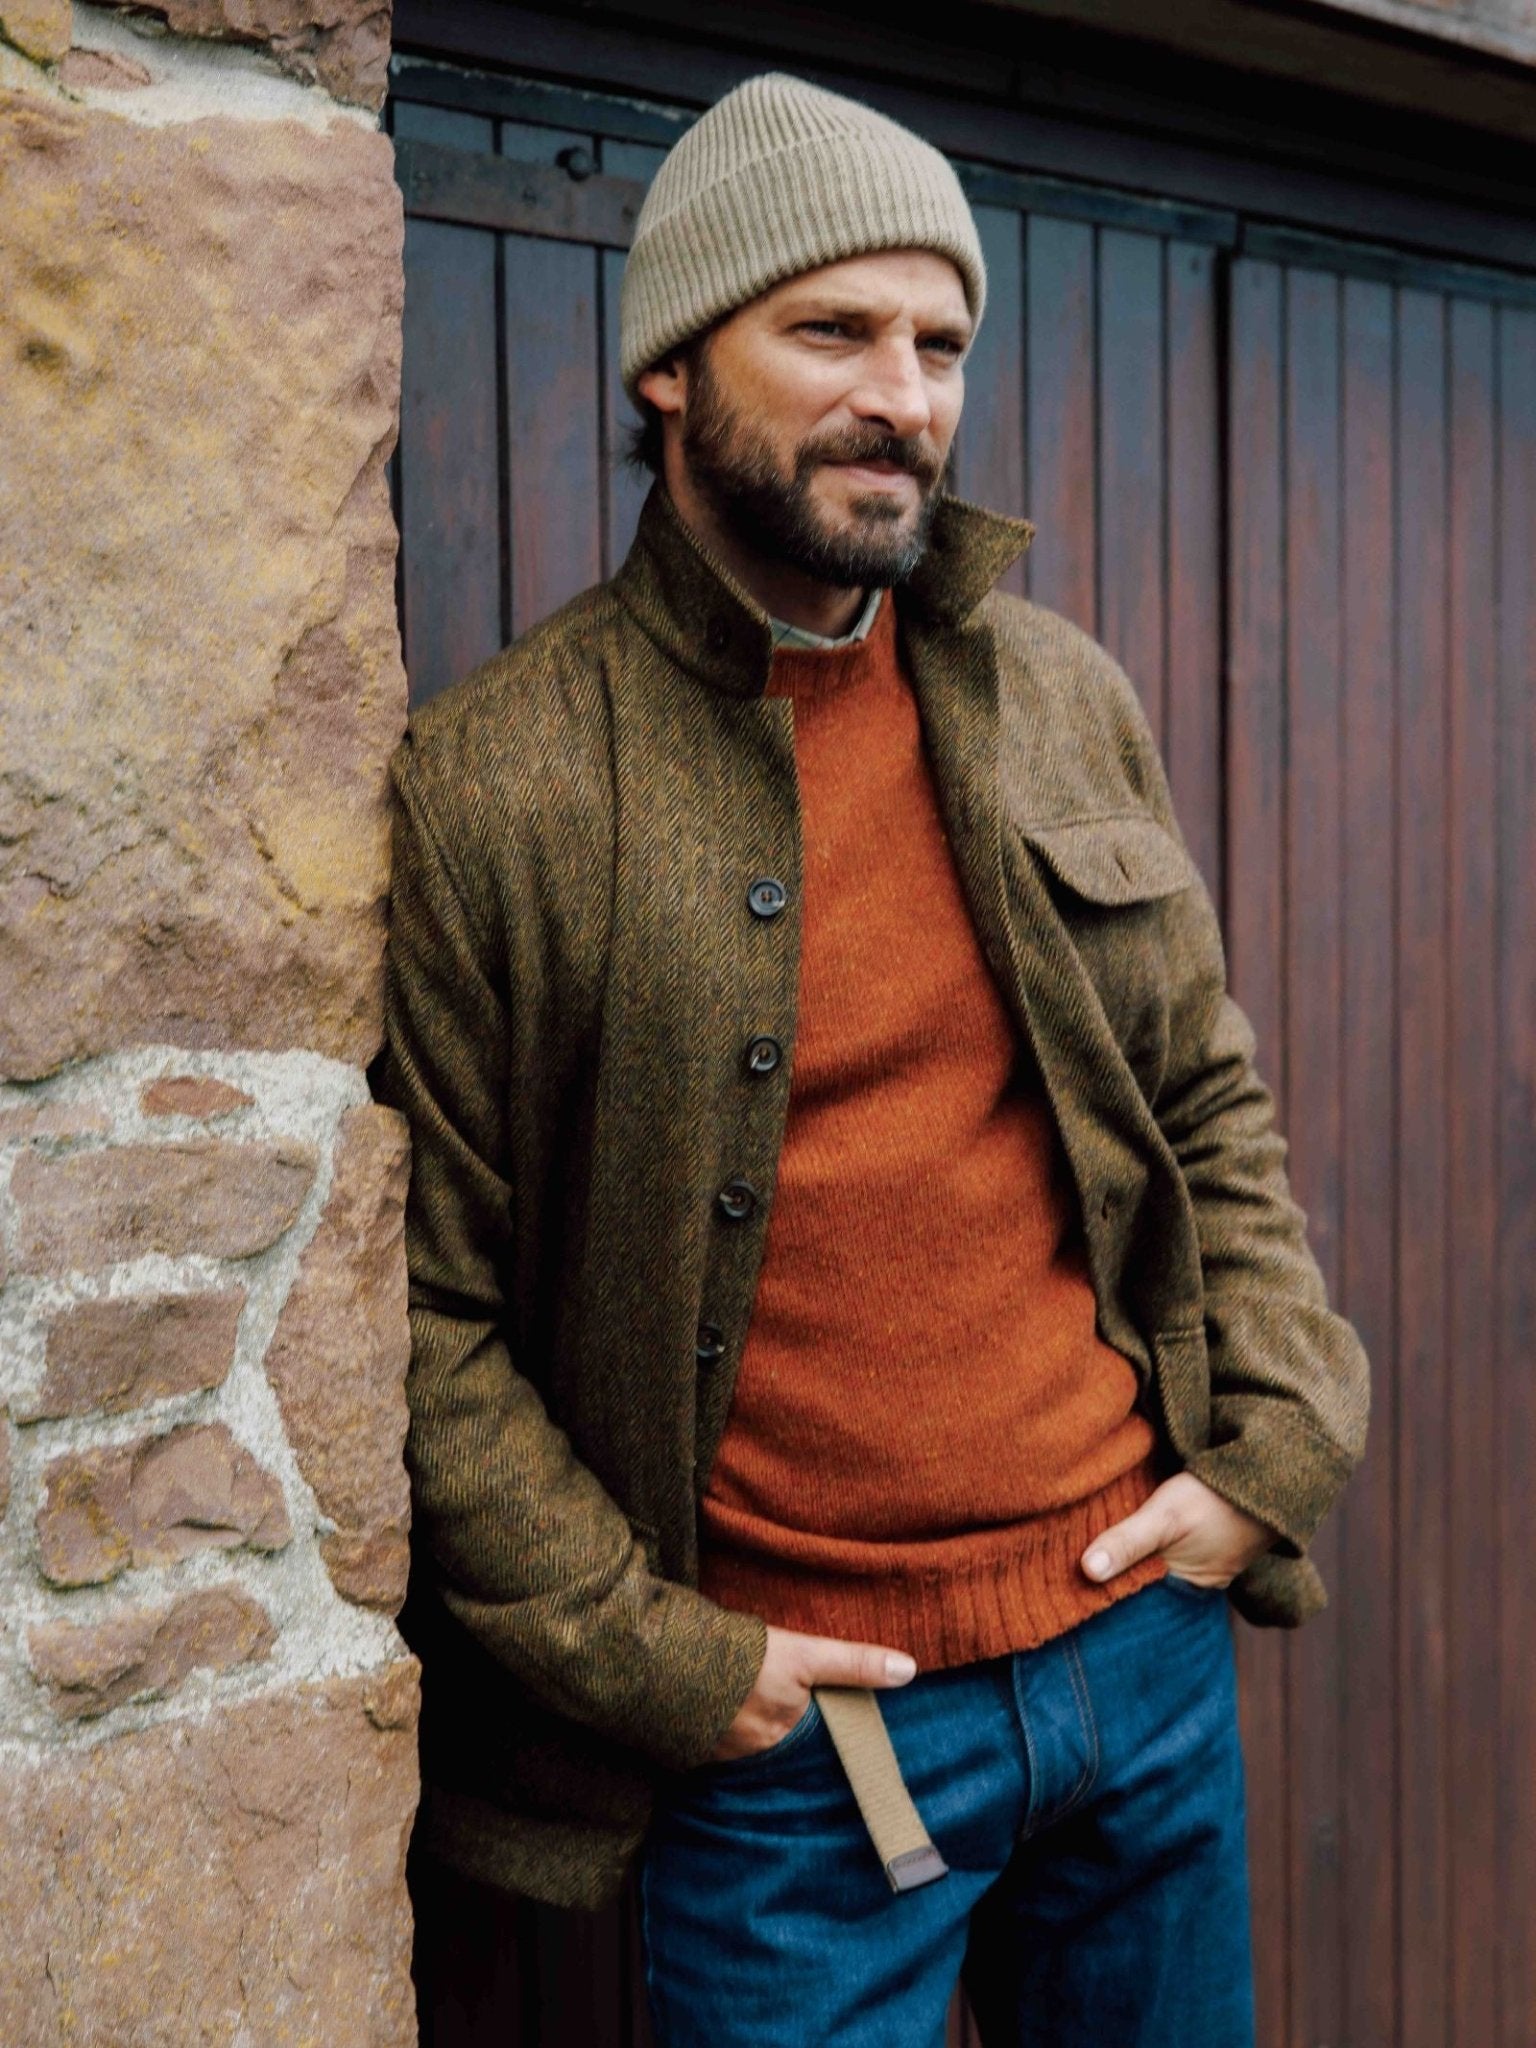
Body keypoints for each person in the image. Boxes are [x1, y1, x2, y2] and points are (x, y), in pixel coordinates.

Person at [378, 70, 1370, 2048]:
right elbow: (425, 1319)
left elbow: (1204, 1102)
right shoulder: (499, 786)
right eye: (830, 330)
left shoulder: (1056, 695)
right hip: (793, 1762)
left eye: (938, 343)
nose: (902, 394)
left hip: (1136, 1672)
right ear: (674, 363)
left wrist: (1275, 1440)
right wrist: (663, 1658)